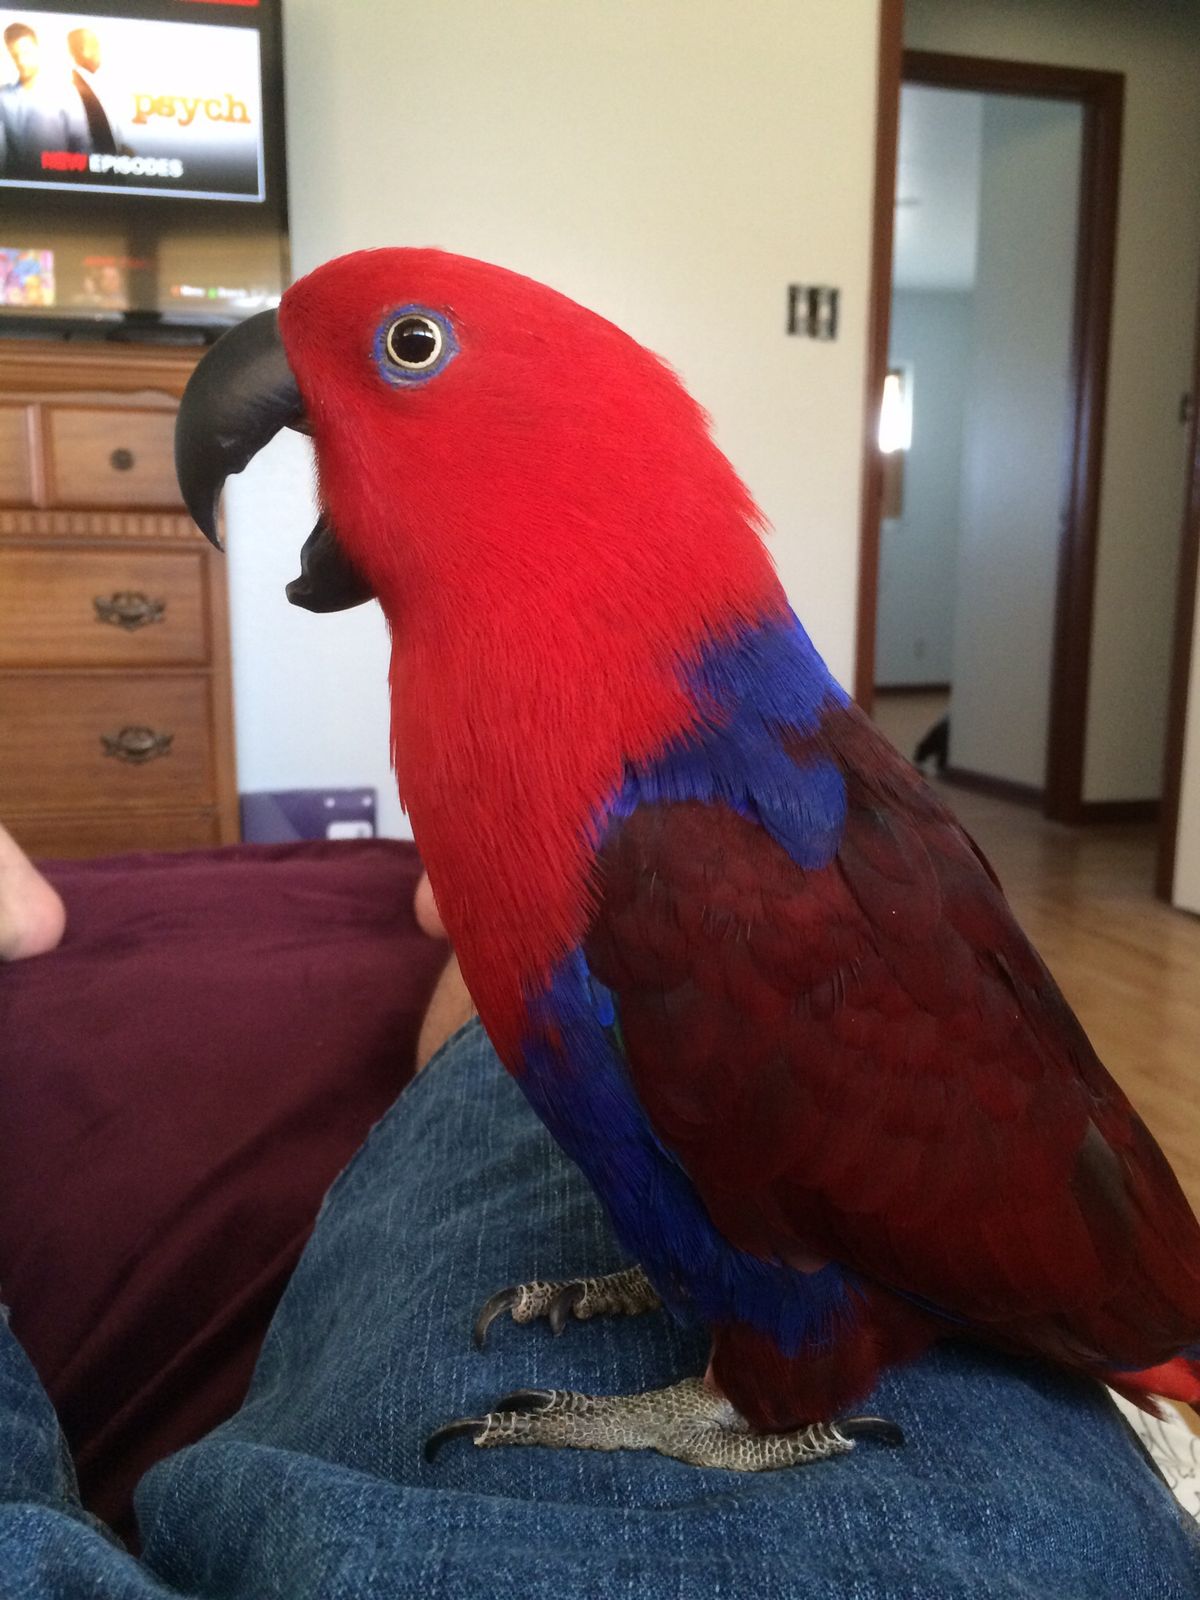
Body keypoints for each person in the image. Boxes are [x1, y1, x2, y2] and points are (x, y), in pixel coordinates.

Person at [0, 836, 1196, 1596]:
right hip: (1033, 1551)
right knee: (601, 997)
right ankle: (490, 877)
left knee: (598, 986)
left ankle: (493, 881)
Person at [0, 22, 89, 178]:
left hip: (57, 191)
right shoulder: (3, 97)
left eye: (26, 53)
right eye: (15, 55)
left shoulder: (64, 92)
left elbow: (83, 146)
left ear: (37, 50)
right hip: (13, 192)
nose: (21, 61)